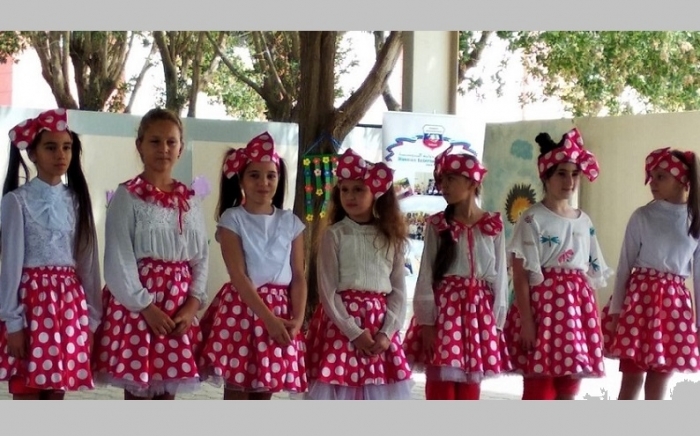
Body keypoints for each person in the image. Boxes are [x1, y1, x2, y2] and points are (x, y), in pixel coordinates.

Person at [92, 108, 209, 400]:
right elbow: (119, 258)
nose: (164, 148)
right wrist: (145, 306)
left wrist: (192, 303)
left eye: (171, 142)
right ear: (140, 145)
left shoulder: (190, 200)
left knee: (167, 394)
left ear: (181, 147)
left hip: (178, 308)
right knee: (139, 391)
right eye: (155, 141)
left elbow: (200, 257)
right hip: (139, 310)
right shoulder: (127, 196)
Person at [197, 132, 308, 400]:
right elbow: (238, 275)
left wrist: (297, 319)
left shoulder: (291, 222)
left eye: (271, 175)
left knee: (263, 391)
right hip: (243, 310)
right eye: (254, 175)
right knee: (238, 392)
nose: (263, 182)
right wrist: (268, 319)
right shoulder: (232, 219)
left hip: (281, 312)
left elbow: (298, 276)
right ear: (241, 180)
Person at [504, 128, 612, 400]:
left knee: (569, 387)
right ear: (546, 176)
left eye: (574, 174)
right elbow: (521, 275)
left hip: (576, 313)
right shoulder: (532, 218)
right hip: (543, 312)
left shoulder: (584, 220)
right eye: (562, 174)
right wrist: (527, 321)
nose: (569, 181)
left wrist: (594, 324)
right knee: (539, 388)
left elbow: (591, 276)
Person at [0, 109, 101, 399]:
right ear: (32, 153)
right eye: (51, 147)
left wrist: (91, 319)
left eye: (66, 147)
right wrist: (13, 322)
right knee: (27, 390)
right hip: (30, 308)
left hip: (68, 308)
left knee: (56, 392)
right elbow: (10, 267)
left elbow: (88, 264)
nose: (61, 154)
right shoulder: (17, 201)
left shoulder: (77, 201)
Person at [304, 148, 413, 400]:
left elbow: (398, 291)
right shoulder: (335, 234)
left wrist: (387, 332)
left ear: (376, 193)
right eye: (344, 190)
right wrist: (353, 331)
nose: (350, 196)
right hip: (340, 326)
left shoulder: (391, 237)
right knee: (340, 391)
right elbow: (327, 290)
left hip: (379, 326)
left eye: (358, 189)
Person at [402, 146, 511, 400]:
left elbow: (499, 278)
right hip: (445, 315)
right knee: (441, 386)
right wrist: (427, 322)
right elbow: (426, 274)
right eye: (442, 180)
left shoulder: (492, 225)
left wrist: (496, 322)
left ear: (472, 182)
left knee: (470, 388)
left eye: (451, 179)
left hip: (478, 316)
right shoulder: (437, 224)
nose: (444, 186)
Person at [601, 147, 700, 400]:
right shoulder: (642, 216)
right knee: (631, 380)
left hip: (673, 310)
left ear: (682, 180)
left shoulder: (695, 219)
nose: (652, 183)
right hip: (638, 305)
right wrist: (616, 312)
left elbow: (699, 275)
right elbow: (624, 266)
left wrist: (698, 323)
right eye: (651, 176)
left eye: (661, 177)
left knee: (658, 385)